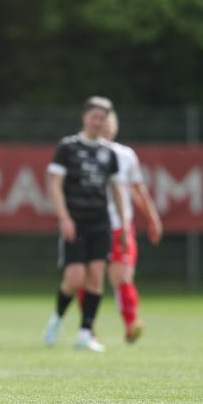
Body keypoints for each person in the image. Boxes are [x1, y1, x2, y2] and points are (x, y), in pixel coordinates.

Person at [44, 97, 128, 352]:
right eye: (94, 117)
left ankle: (85, 333)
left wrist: (123, 224)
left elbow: (116, 188)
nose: (98, 122)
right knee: (74, 278)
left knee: (95, 278)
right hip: (76, 222)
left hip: (100, 223)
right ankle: (57, 319)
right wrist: (65, 217)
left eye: (103, 118)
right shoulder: (68, 147)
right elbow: (55, 184)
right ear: (85, 117)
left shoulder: (109, 152)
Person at [78, 110, 162, 343]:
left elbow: (137, 189)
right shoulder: (81, 152)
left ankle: (131, 324)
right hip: (90, 226)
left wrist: (152, 217)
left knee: (122, 276)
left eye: (109, 121)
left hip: (119, 227)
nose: (105, 125)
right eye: (100, 120)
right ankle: (88, 328)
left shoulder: (126, 155)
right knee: (87, 278)